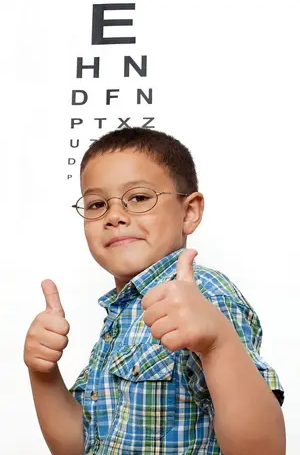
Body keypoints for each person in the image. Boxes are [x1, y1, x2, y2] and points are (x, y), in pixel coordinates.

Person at [24, 127, 286, 455]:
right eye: (96, 204)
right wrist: (42, 372)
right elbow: (78, 446)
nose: (115, 216)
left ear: (189, 212)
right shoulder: (122, 311)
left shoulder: (206, 296)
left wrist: (218, 344)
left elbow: (264, 450)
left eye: (139, 198)